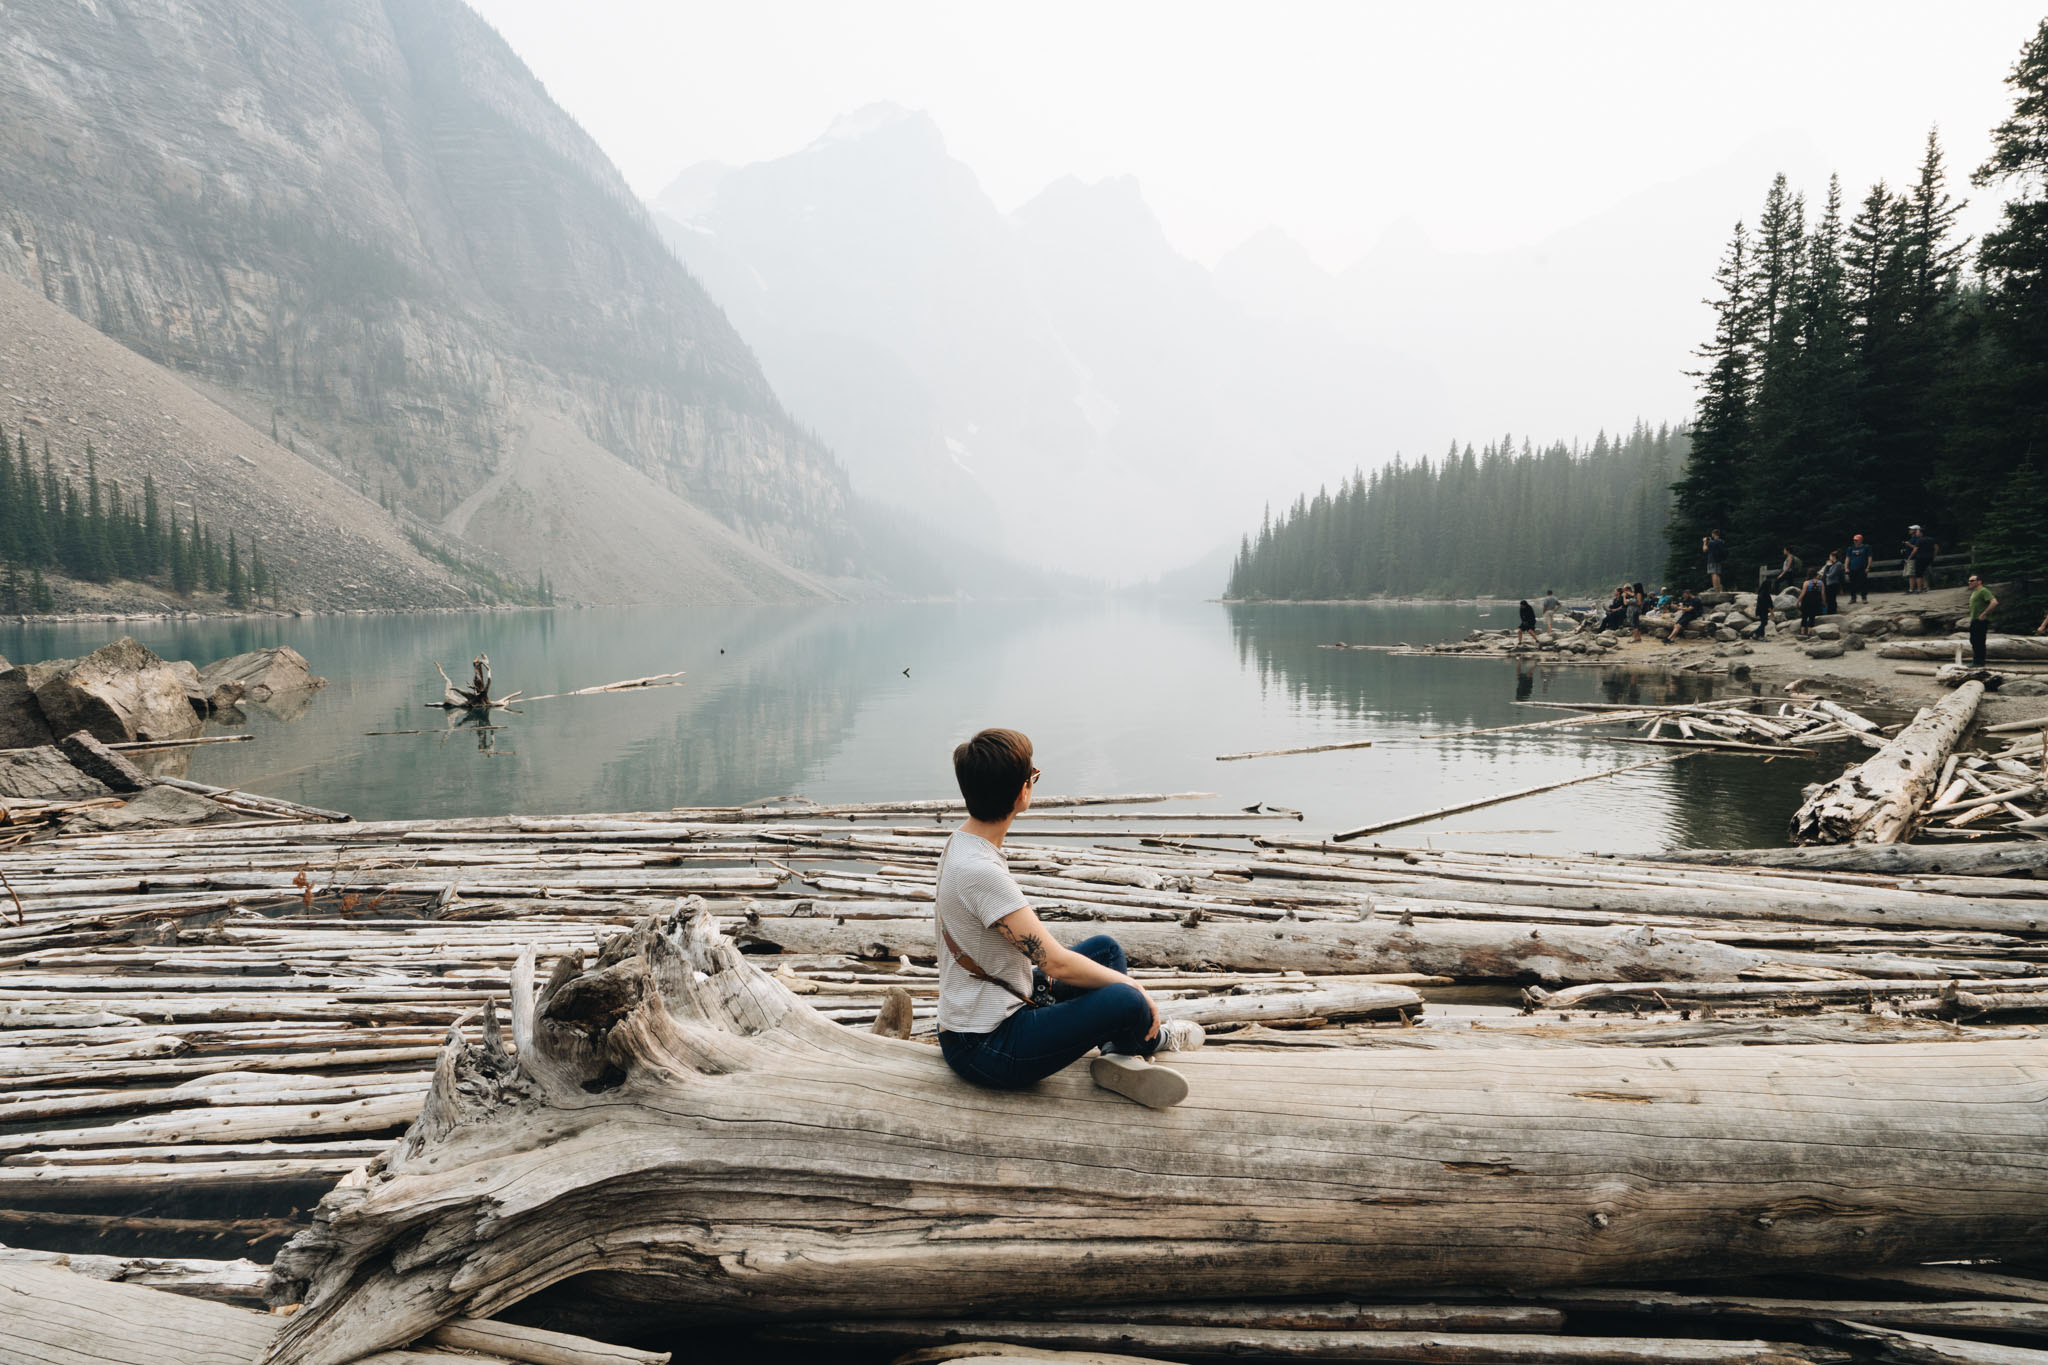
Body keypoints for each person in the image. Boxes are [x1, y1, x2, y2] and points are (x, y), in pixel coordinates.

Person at [935, 728, 1202, 1109]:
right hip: (986, 1047)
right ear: (1022, 792)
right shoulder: (981, 872)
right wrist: (1137, 989)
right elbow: (1055, 962)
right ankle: (1140, 1042)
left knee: (1105, 951)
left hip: (993, 1006)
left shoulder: (961, 842)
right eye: (1033, 776)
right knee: (1126, 998)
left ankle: (1118, 1053)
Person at [1967, 574, 1999, 667]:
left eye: (1972, 580)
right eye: (1969, 580)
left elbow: (1994, 602)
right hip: (1974, 619)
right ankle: (1976, 660)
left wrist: (1985, 613)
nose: (1970, 582)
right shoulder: (1974, 592)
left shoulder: (1983, 591)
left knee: (1979, 640)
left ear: (1979, 581)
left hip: (1980, 620)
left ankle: (1979, 662)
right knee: (1974, 640)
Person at [1902, 525, 1939, 594]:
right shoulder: (1931, 539)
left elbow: (1915, 550)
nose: (1916, 533)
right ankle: (1925, 587)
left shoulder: (1919, 540)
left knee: (1918, 574)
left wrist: (1909, 557)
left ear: (1921, 533)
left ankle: (1919, 589)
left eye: (1918, 532)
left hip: (1920, 558)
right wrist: (1934, 556)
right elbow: (1936, 548)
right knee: (1925, 573)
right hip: (1929, 558)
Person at [1797, 569, 1826, 638]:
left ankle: (1802, 632)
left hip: (1807, 601)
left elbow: (1803, 593)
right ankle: (1810, 632)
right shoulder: (1821, 583)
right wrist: (1824, 602)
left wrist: (1798, 601)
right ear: (1816, 574)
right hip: (1816, 601)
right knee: (1812, 617)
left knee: (1804, 616)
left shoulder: (1806, 583)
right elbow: (1822, 593)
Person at [1845, 534, 1873, 604]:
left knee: (1863, 583)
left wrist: (1868, 567)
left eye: (1856, 540)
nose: (1855, 541)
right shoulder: (1850, 548)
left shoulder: (1866, 547)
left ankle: (1864, 597)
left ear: (1860, 540)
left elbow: (1869, 557)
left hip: (1862, 568)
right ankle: (1853, 598)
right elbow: (1847, 558)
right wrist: (1846, 567)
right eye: (1854, 540)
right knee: (1852, 584)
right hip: (1852, 568)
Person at [1821, 551, 1845, 615]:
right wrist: (1827, 566)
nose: (1829, 558)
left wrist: (1827, 568)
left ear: (1834, 557)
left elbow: (1831, 575)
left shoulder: (1838, 564)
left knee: (1832, 598)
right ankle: (1830, 610)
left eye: (1830, 556)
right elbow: (1825, 573)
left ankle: (1832, 611)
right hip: (1828, 583)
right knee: (1829, 598)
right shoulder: (1832, 564)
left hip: (1834, 583)